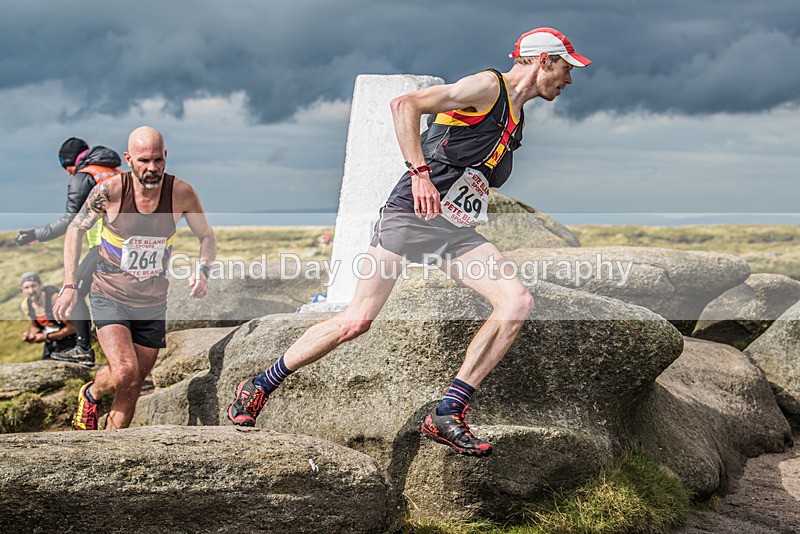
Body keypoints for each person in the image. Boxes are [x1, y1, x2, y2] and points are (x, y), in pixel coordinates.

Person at [227, 27, 591, 457]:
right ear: (544, 60)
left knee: (516, 303)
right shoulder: (487, 87)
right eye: (567, 69)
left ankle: (447, 412)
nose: (569, 80)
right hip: (411, 215)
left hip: (452, 229)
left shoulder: (517, 115)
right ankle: (258, 386)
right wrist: (419, 174)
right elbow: (405, 104)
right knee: (356, 320)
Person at [53, 126, 216, 431]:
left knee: (134, 382)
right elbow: (76, 229)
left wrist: (203, 269)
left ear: (165, 156)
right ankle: (92, 394)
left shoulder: (181, 193)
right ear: (128, 159)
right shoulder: (111, 191)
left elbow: (207, 236)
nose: (152, 168)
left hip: (152, 301)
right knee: (125, 371)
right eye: (143, 160)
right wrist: (70, 285)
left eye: (157, 159)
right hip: (110, 293)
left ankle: (110, 447)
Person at [15, 138, 123, 366]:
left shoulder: (84, 176)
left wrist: (35, 234)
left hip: (107, 245)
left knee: (73, 291)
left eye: (66, 166)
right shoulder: (117, 172)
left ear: (72, 162)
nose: (67, 173)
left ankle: (83, 348)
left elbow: (70, 220)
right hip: (135, 246)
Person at [19, 272, 78, 361]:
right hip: (52, 339)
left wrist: (47, 337)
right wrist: (31, 336)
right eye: (26, 287)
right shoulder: (26, 305)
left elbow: (73, 328)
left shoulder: (54, 300)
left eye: (33, 286)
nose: (31, 291)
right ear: (22, 290)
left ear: (40, 286)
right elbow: (35, 327)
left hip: (71, 338)